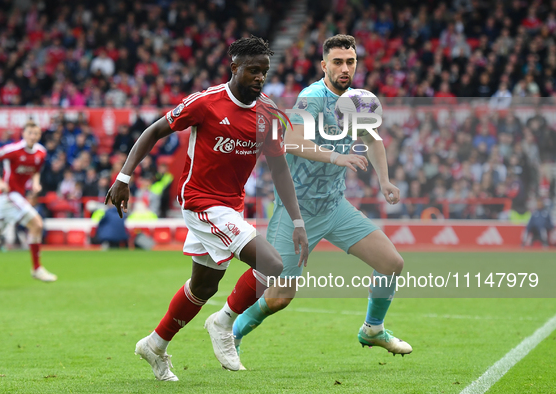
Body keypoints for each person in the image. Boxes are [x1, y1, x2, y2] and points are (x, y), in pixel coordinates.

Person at [105, 36, 309, 381]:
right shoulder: (207, 102)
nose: (260, 78)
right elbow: (154, 130)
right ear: (234, 68)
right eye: (253, 71)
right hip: (200, 202)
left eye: (265, 72)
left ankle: (154, 346)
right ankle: (224, 322)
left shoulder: (269, 115)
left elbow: (279, 169)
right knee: (274, 263)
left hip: (230, 207)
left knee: (203, 287)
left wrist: (298, 219)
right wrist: (124, 177)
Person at [213, 34, 412, 368]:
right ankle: (231, 332)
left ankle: (372, 329)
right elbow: (292, 141)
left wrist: (384, 180)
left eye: (350, 62)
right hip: (298, 214)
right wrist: (337, 158)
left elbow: (372, 140)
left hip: (335, 208)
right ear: (324, 65)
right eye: (337, 62)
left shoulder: (358, 101)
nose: (345, 68)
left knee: (391, 263)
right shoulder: (312, 98)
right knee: (278, 298)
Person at [0, 123, 57, 282]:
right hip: (8, 195)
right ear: (23, 133)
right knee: (37, 224)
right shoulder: (13, 149)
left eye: (36, 133)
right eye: (30, 133)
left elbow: (36, 171)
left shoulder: (40, 152)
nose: (33, 136)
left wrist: (36, 183)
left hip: (13, 198)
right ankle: (37, 268)